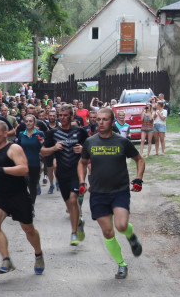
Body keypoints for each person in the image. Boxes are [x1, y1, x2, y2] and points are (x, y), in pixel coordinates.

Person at [78, 108, 145, 279]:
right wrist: (81, 181)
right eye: (98, 119)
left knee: (121, 226)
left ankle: (131, 236)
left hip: (119, 191)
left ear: (112, 121)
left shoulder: (122, 142)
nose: (100, 122)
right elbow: (82, 163)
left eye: (105, 119)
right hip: (98, 193)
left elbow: (139, 160)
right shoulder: (90, 142)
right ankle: (122, 264)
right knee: (108, 232)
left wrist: (138, 179)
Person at [0, 121, 45, 275]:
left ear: (5, 134)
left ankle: (38, 254)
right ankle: (6, 259)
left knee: (28, 229)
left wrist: (1, 170)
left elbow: (24, 169)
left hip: (18, 195)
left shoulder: (14, 148)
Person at [41, 104, 90, 246]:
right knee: (69, 205)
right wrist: (53, 148)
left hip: (77, 172)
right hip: (61, 174)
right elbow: (43, 152)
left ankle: (74, 233)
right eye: (60, 115)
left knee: (74, 200)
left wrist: (83, 149)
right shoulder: (53, 133)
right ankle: (79, 222)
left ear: (72, 116)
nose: (62, 118)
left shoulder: (80, 132)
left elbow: (91, 147)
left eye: (65, 115)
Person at [16, 114, 46, 202]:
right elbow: (18, 148)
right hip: (23, 163)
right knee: (23, 183)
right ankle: (25, 202)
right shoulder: (21, 134)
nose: (28, 123)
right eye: (26, 121)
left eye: (30, 121)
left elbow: (45, 148)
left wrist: (42, 143)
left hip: (35, 163)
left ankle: (31, 205)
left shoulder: (39, 134)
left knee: (32, 185)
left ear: (34, 123)